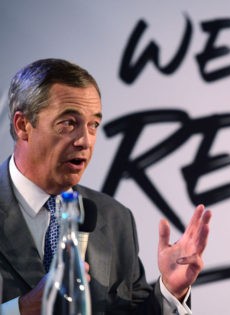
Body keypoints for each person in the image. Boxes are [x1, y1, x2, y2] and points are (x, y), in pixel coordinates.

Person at [0, 58, 212, 315]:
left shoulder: (114, 218)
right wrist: (22, 310)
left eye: (93, 125)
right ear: (23, 125)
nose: (85, 141)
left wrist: (169, 291)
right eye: (68, 123)